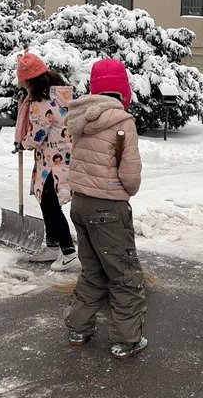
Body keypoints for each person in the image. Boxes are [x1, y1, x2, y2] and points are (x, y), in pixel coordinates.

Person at [63, 58, 147, 359]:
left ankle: (78, 328)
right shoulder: (123, 122)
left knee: (93, 269)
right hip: (108, 209)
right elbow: (130, 174)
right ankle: (127, 339)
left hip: (81, 204)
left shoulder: (81, 117)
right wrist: (125, 192)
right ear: (123, 90)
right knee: (123, 274)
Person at [15, 49, 80, 271]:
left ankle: (69, 253)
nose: (22, 85)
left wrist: (22, 143)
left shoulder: (41, 103)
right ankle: (52, 246)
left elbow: (37, 135)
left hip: (53, 163)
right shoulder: (60, 96)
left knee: (51, 206)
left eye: (24, 81)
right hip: (63, 159)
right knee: (47, 203)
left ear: (31, 80)